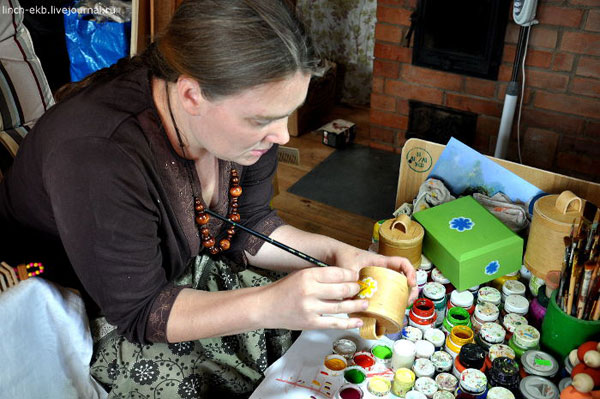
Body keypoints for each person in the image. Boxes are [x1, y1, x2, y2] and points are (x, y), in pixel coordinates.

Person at [0, 0, 417, 397]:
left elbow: (250, 225)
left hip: (180, 268)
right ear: (190, 95)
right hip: (86, 301)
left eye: (286, 113)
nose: (283, 137)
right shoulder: (98, 154)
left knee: (310, 333)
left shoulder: (242, 128)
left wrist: (340, 253)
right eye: (262, 120)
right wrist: (270, 304)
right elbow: (141, 311)